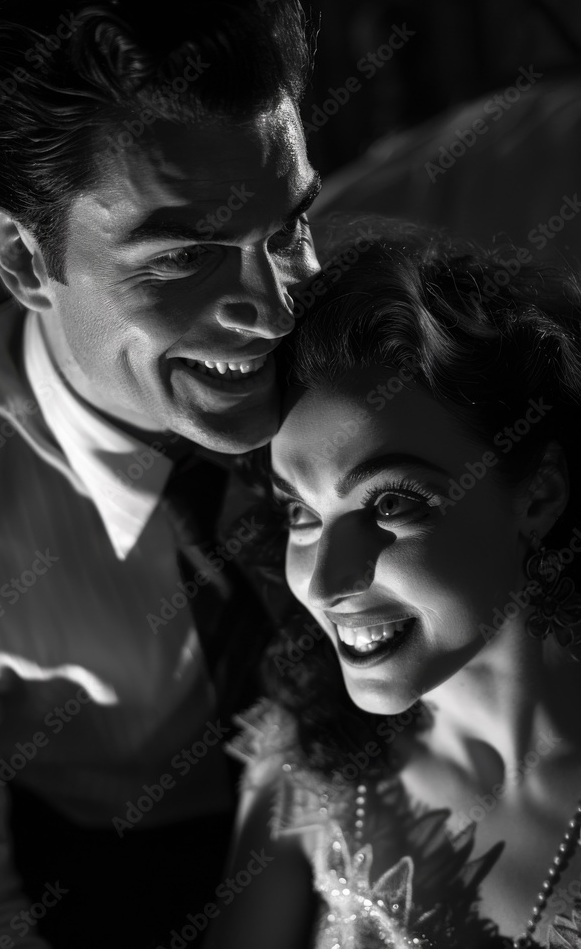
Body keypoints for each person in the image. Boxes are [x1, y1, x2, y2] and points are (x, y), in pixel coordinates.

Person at [0, 0, 322, 946]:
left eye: (289, 227)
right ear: (22, 258)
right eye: (184, 257)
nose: (275, 312)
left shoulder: (380, 350)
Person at [203, 218, 581, 949]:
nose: (324, 580)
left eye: (390, 503)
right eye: (300, 513)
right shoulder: (301, 760)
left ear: (538, 495)